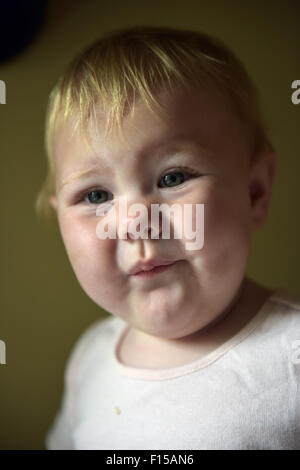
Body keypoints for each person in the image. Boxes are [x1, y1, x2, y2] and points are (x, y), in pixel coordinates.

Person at [36, 25, 300, 450]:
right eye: (96, 195)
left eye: (173, 176)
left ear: (255, 192)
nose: (134, 223)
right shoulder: (89, 359)